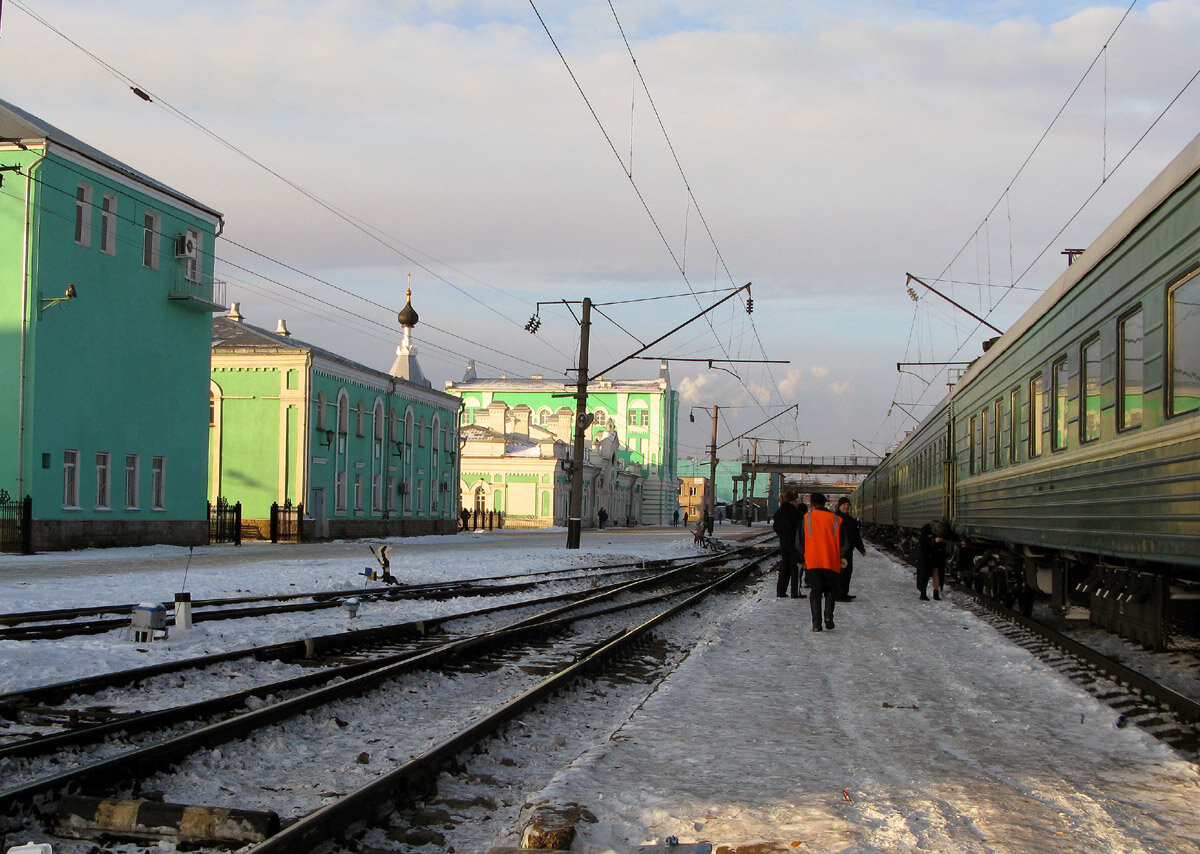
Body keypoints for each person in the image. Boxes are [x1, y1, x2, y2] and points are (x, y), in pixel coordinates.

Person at [801, 493, 843, 631]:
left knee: (815, 591)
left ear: (812, 503)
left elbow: (799, 541)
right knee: (830, 590)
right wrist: (840, 556)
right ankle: (828, 617)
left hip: (813, 561)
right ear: (825, 503)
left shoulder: (806, 519)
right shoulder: (836, 519)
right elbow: (844, 542)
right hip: (831, 561)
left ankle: (816, 624)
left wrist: (804, 556)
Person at [917, 519, 965, 600]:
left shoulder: (945, 529)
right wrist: (933, 540)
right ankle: (923, 593)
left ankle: (936, 593)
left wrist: (960, 542)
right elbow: (922, 541)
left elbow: (952, 536)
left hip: (938, 554)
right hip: (926, 555)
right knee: (925, 573)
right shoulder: (926, 528)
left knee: (937, 572)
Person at [771, 490, 806, 599]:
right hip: (794, 544)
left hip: (784, 543)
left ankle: (780, 591)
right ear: (793, 500)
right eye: (796, 499)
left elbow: (775, 527)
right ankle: (795, 592)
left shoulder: (779, 511)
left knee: (784, 567)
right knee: (794, 569)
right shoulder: (795, 512)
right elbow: (799, 529)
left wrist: (782, 535)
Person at [835, 497, 866, 601]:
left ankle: (844, 593)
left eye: (848, 505)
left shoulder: (851, 520)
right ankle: (838, 594)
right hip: (837, 550)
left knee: (847, 572)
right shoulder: (835, 519)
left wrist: (861, 549)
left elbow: (856, 536)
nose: (846, 507)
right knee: (839, 573)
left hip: (848, 551)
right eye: (844, 505)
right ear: (839, 506)